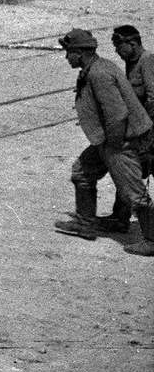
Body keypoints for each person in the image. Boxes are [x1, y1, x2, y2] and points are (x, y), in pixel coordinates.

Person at [54, 28, 154, 255]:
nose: (67, 57)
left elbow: (117, 114)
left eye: (69, 52)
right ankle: (85, 223)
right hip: (107, 138)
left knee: (133, 191)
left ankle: (151, 240)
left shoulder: (99, 74)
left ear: (80, 53)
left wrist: (114, 149)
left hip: (121, 140)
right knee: (82, 171)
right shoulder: (97, 67)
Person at [101, 25, 154, 232]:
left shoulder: (146, 61)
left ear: (132, 43)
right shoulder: (131, 63)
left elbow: (152, 99)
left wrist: (147, 135)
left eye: (118, 46)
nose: (116, 51)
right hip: (141, 132)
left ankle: (125, 221)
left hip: (149, 133)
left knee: (128, 172)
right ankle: (120, 217)